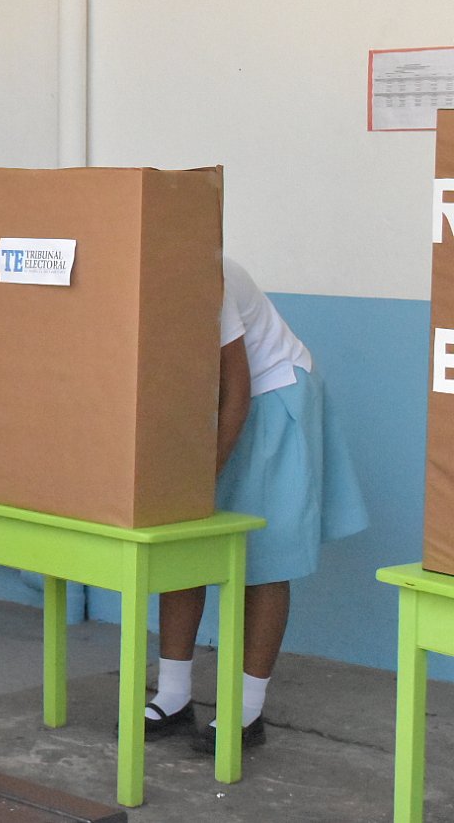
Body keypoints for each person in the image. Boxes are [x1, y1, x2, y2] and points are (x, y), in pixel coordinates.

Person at [144, 257, 367, 751]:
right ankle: (174, 696)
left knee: (264, 557)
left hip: (272, 393)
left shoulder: (209, 274)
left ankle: (246, 711)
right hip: (211, 402)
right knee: (185, 548)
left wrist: (199, 481)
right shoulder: (139, 278)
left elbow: (238, 392)